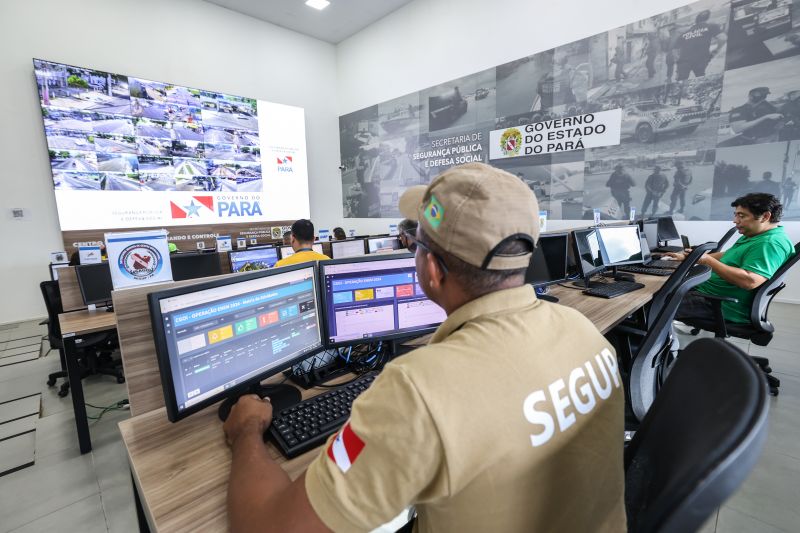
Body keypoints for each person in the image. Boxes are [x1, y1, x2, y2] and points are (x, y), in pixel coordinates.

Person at [222, 163, 626, 532]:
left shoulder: (418, 389)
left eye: (416, 245)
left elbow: (268, 527)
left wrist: (247, 431)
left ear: (431, 269)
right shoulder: (582, 330)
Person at [672, 193, 794, 325]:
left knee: (656, 304)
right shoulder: (756, 235)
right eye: (735, 215)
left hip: (718, 303)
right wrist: (693, 258)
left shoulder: (770, 243)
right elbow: (729, 254)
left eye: (742, 216)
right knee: (663, 291)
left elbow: (750, 281)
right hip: (706, 292)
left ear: (765, 216)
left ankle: (662, 335)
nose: (735, 220)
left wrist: (707, 260)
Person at [674, 10, 725, 81]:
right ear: (707, 19)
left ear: (695, 21)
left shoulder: (684, 33)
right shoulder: (711, 26)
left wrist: (678, 63)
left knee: (681, 81)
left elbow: (675, 50)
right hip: (701, 59)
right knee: (701, 78)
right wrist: (716, 50)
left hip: (684, 61)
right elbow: (722, 38)